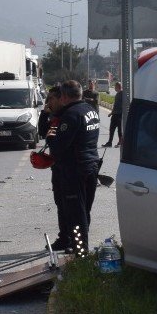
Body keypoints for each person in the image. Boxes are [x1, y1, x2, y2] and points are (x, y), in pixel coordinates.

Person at [46, 80, 100, 256]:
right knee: (84, 210)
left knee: (76, 214)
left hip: (74, 170)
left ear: (64, 97)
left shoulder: (70, 115)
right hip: (90, 166)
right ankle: (80, 247)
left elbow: (57, 146)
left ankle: (81, 252)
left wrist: (51, 136)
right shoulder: (90, 110)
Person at [37, 85, 67, 249]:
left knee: (67, 205)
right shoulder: (53, 116)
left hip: (67, 168)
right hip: (57, 166)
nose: (48, 102)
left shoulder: (66, 116)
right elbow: (43, 132)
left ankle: (71, 241)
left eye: (51, 99)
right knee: (60, 203)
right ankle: (64, 237)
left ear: (60, 99)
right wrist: (44, 113)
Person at [104, 81, 124, 147]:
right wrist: (111, 113)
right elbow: (116, 105)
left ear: (118, 87)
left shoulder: (121, 94)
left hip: (118, 115)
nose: (114, 88)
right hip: (116, 114)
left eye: (115, 86)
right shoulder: (119, 94)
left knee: (118, 129)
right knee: (113, 129)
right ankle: (111, 142)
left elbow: (118, 106)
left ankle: (119, 142)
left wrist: (112, 113)